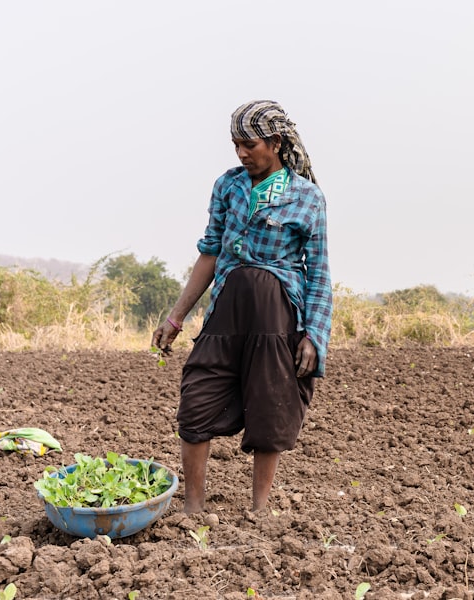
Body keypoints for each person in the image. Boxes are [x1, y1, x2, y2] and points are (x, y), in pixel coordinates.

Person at [152, 100, 332, 514]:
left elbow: (318, 274)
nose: (241, 153)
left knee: (271, 402)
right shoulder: (228, 186)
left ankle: (260, 509)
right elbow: (210, 253)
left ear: (275, 141)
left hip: (277, 314)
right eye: (235, 145)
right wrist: (175, 318)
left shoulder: (307, 198)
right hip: (226, 310)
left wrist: (315, 336)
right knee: (196, 398)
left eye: (248, 144)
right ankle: (193, 508)